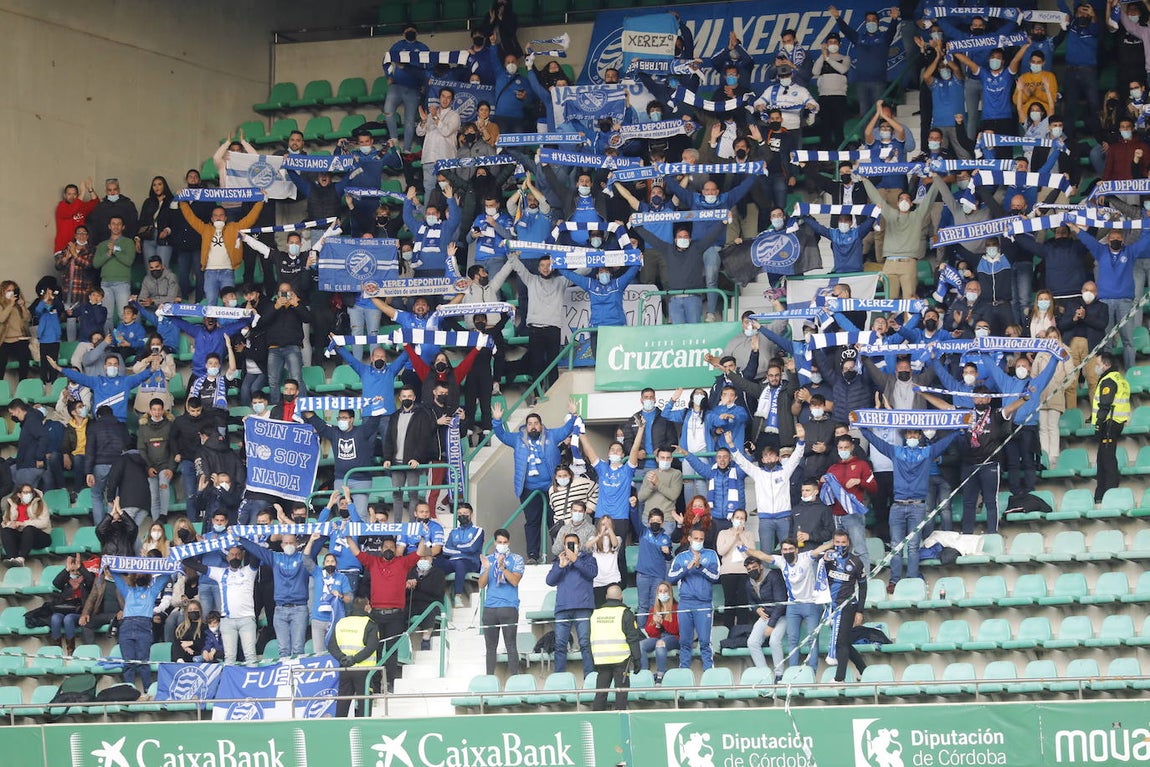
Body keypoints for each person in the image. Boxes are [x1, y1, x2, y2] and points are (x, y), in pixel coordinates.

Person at [860, 427, 960, 591]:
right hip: (898, 505)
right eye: (909, 433)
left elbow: (944, 443)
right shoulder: (896, 451)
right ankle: (894, 581)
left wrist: (957, 431)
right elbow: (877, 442)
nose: (912, 436)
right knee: (896, 546)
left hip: (917, 506)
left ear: (919, 436)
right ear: (905, 435)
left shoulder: (927, 452)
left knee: (913, 546)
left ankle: (912, 578)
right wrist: (863, 428)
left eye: (915, 433)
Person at [492, 400, 578, 563]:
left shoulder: (551, 435)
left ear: (541, 425)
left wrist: (573, 415)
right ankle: (532, 555)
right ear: (526, 427)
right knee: (532, 522)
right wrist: (497, 420)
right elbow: (502, 435)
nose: (533, 426)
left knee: (555, 521)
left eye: (536, 423)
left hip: (552, 488)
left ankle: (559, 554)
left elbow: (566, 429)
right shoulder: (518, 439)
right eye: (530, 424)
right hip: (528, 489)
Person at [347, 534, 430, 692]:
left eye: (392, 547)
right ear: (381, 549)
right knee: (375, 650)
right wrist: (348, 537)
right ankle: (375, 685)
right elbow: (356, 552)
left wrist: (423, 537)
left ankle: (390, 683)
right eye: (386, 547)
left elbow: (419, 553)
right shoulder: (373, 562)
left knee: (392, 651)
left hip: (396, 615)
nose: (389, 549)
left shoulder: (402, 562)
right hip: (376, 615)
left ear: (396, 549)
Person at [757, 537, 833, 672]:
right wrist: (745, 549)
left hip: (811, 603)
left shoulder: (806, 557)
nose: (788, 552)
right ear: (781, 551)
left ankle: (812, 671)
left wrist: (834, 542)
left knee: (812, 639)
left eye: (791, 549)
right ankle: (792, 671)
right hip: (793, 605)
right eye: (785, 550)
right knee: (792, 639)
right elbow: (762, 556)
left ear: (796, 550)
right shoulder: (781, 560)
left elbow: (819, 549)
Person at [178, 199, 266, 306]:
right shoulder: (205, 229)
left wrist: (260, 202)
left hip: (227, 272)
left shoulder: (234, 228)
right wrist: (182, 201)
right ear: (212, 218)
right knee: (211, 303)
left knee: (231, 304)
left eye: (221, 215)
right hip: (210, 273)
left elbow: (250, 219)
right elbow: (191, 218)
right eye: (215, 215)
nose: (218, 217)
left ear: (225, 218)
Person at [110, 564, 173, 692]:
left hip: (144, 627)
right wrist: (109, 564)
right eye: (138, 574)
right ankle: (130, 692)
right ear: (133, 577)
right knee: (128, 663)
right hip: (126, 627)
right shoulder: (127, 590)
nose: (140, 576)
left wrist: (170, 565)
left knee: (144, 663)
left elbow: (164, 577)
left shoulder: (152, 591)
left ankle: (147, 691)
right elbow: (116, 577)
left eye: (143, 574)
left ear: (148, 577)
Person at [382, 387, 439, 522]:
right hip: (396, 463)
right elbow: (389, 438)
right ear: (400, 398)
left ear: (414, 398)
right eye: (404, 396)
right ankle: (397, 525)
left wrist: (417, 458)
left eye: (409, 396)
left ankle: (413, 524)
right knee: (397, 495)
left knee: (413, 495)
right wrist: (387, 458)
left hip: (412, 463)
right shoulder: (394, 416)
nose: (406, 398)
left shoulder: (422, 415)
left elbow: (424, 439)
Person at [666, 525, 720, 671]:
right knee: (684, 641)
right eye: (696, 538)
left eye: (701, 539)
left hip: (704, 604)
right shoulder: (681, 557)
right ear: (689, 538)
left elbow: (715, 576)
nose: (698, 541)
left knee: (705, 641)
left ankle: (709, 671)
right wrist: (687, 568)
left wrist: (699, 567)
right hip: (685, 603)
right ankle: (684, 671)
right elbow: (670, 578)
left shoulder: (711, 554)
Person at [546, 531, 597, 677]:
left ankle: (590, 678)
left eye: (573, 543)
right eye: (568, 544)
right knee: (560, 645)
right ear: (564, 546)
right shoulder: (559, 560)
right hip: (563, 608)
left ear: (579, 545)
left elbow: (592, 573)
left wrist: (576, 560)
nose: (570, 546)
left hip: (583, 607)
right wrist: (561, 566)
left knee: (585, 643)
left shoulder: (589, 559)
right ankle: (560, 679)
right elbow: (550, 581)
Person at [822, 529, 868, 681]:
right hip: (831, 606)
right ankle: (864, 670)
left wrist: (860, 611)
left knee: (840, 642)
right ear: (833, 543)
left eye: (843, 542)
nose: (840, 545)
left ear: (848, 543)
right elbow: (819, 577)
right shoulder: (827, 559)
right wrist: (824, 561)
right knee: (845, 642)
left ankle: (839, 679)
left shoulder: (856, 562)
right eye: (837, 542)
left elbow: (863, 587)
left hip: (847, 606)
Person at [589, 583, 644, 711]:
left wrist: (592, 661)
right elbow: (633, 638)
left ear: (606, 596)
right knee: (621, 693)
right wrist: (637, 659)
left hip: (601, 660)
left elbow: (588, 639)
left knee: (600, 693)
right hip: (621, 660)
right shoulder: (626, 613)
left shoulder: (595, 614)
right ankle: (620, 718)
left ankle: (597, 718)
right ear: (621, 597)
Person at [477, 528, 525, 675]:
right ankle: (489, 679)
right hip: (490, 608)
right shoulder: (488, 559)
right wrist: (487, 569)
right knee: (490, 648)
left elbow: (515, 581)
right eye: (499, 542)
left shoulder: (517, 559)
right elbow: (481, 584)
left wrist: (503, 568)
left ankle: (514, 679)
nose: (502, 545)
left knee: (511, 645)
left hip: (509, 607)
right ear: (495, 542)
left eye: (505, 542)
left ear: (509, 543)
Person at [327, 602, 382, 718]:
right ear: (366, 607)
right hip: (364, 670)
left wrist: (342, 658)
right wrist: (354, 659)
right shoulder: (370, 624)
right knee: (364, 705)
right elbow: (372, 647)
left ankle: (339, 727)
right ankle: (363, 727)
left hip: (345, 669)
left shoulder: (341, 622)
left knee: (342, 703)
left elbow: (331, 645)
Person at [1092, 353, 1130, 503]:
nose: (1096, 367)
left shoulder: (1108, 380)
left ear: (1106, 365)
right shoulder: (1120, 378)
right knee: (1103, 458)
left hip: (1109, 423)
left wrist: (1098, 423)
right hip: (1116, 422)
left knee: (1107, 460)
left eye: (1098, 364)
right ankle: (1101, 494)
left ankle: (1109, 493)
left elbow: (1105, 404)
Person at [305, 536, 353, 652]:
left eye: (332, 561)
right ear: (324, 563)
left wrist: (340, 596)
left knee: (336, 653)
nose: (330, 563)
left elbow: (350, 598)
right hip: (318, 619)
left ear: (336, 564)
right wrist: (311, 541)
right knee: (319, 652)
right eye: (327, 561)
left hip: (335, 619)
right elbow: (306, 559)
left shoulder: (342, 577)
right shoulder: (318, 573)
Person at [745, 555, 787, 682]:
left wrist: (771, 625)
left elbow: (781, 603)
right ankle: (765, 675)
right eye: (749, 569)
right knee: (752, 642)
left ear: (761, 566)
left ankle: (779, 675)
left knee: (774, 641)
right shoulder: (749, 582)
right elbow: (751, 602)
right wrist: (756, 609)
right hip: (766, 615)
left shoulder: (773, 576)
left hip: (782, 615)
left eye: (754, 567)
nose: (752, 570)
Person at [437, 503, 484, 608]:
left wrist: (456, 547)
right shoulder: (454, 532)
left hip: (471, 561)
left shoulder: (478, 530)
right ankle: (438, 596)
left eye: (465, 513)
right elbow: (445, 550)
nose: (462, 515)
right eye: (460, 513)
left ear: (471, 514)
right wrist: (461, 550)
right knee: (437, 563)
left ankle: (458, 596)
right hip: (453, 561)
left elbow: (472, 548)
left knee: (460, 563)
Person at [50, 554, 94, 654]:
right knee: (55, 618)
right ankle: (57, 650)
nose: (74, 573)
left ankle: (71, 650)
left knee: (68, 619)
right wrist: (67, 570)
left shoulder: (86, 579)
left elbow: (91, 581)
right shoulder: (66, 580)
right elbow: (56, 583)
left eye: (76, 570)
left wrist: (80, 568)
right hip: (64, 609)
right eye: (72, 570)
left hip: (80, 612)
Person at [638, 581, 680, 684]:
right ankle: (645, 674)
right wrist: (657, 625)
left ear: (670, 593)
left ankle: (660, 674)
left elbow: (676, 629)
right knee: (640, 645)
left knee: (660, 643)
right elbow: (650, 633)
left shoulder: (676, 607)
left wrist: (662, 622)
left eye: (665, 591)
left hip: (674, 637)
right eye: (660, 591)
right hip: (659, 637)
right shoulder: (654, 609)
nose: (663, 593)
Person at [635, 508, 672, 617]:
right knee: (642, 606)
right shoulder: (643, 532)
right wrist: (633, 507)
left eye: (658, 521)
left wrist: (667, 552)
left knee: (654, 605)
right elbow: (635, 519)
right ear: (648, 522)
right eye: (653, 520)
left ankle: (653, 627)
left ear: (662, 523)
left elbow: (668, 558)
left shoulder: (665, 538)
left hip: (658, 576)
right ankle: (642, 627)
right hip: (643, 575)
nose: (655, 523)